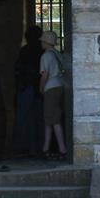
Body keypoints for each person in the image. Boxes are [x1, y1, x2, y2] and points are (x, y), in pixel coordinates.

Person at [38, 31, 69, 159]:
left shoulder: (46, 56)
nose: (41, 42)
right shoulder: (56, 54)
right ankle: (46, 147)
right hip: (59, 85)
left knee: (54, 119)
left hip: (50, 88)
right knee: (50, 118)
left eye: (42, 41)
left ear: (46, 42)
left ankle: (62, 149)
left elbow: (45, 75)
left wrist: (41, 88)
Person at [13, 26, 43, 157]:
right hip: (37, 88)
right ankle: (38, 147)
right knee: (38, 118)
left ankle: (24, 147)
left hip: (27, 87)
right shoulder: (41, 51)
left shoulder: (25, 51)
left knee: (25, 117)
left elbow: (19, 69)